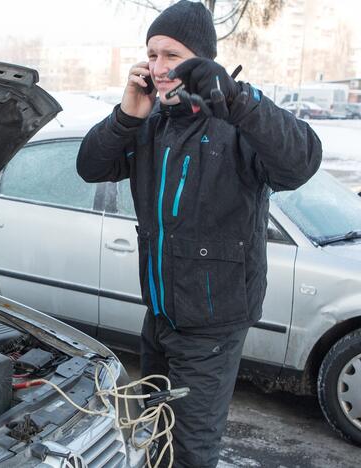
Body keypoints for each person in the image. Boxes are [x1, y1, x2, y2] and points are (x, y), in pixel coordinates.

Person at [76, 1, 322, 466]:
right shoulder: (151, 124)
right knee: (156, 434)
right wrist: (126, 116)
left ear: (203, 61)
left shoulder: (236, 124)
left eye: (172, 56)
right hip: (161, 318)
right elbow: (90, 166)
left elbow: (301, 162)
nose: (158, 66)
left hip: (213, 326)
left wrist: (236, 99)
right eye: (151, 55)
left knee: (190, 450)